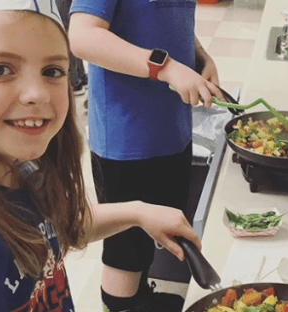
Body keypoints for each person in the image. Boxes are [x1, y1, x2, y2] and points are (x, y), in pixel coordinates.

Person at [0, 1, 201, 311]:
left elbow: (56, 225)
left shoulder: (20, 171)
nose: (36, 93)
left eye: (52, 71)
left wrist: (138, 213)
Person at [67, 1, 225, 311]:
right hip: (126, 138)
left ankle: (141, 295)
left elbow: (173, 21)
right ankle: (123, 304)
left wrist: (200, 57)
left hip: (172, 128)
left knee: (157, 229)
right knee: (126, 250)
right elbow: (83, 36)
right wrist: (165, 67)